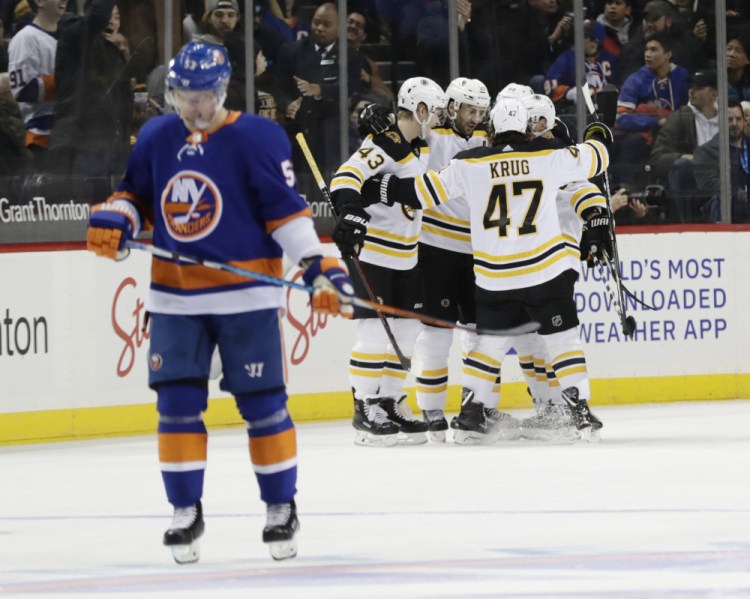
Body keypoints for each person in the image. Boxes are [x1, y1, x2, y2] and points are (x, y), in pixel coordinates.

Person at [84, 41, 354, 563]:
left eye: (202, 95)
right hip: (175, 299)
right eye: (183, 95)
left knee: (263, 407)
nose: (193, 106)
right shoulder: (157, 136)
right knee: (177, 407)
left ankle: (280, 507)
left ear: (223, 90)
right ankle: (185, 511)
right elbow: (136, 197)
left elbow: (286, 214)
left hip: (246, 300)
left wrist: (321, 267)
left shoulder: (257, 137)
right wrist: (118, 218)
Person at [347, 98, 613, 441]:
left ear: (493, 129)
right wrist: (600, 129)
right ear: (526, 129)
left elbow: (421, 193)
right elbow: (598, 157)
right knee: (562, 340)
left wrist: (376, 188)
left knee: (488, 344)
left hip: (494, 275)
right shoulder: (549, 157)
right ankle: (580, 411)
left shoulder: (469, 164)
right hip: (543, 270)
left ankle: (471, 413)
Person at [329, 76, 447, 447]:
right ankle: (364, 406)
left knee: (407, 333)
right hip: (375, 254)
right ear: (422, 110)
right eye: (437, 110)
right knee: (374, 334)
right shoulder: (384, 143)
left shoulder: (421, 144)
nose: (441, 117)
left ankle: (391, 401)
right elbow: (346, 177)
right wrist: (349, 211)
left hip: (407, 256)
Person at [51, 0, 133, 177]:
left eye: (116, 16)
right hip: (78, 145)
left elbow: (122, 104)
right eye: (110, 14)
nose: (112, 21)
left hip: (110, 148)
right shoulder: (72, 33)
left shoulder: (115, 53)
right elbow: (98, 16)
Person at [614, 31, 690, 187]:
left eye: (654, 50)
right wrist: (657, 121)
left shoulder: (682, 77)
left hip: (677, 134)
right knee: (632, 143)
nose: (648, 54)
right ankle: (626, 190)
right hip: (645, 136)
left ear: (668, 54)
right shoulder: (636, 79)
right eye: (646, 49)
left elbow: (688, 112)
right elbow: (621, 118)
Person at [647, 68, 718, 222]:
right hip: (694, 181)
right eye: (691, 88)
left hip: (721, 178)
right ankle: (684, 224)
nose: (692, 92)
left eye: (698, 88)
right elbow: (656, 157)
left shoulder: (727, 118)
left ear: (714, 94)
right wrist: (683, 156)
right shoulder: (680, 117)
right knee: (682, 165)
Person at [7, 0, 66, 165]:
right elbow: (23, 90)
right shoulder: (25, 39)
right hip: (43, 138)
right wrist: (69, 80)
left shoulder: (68, 35)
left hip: (72, 134)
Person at [693, 100, 750, 223]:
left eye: (738, 119)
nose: (734, 123)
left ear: (745, 122)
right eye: (729, 120)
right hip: (729, 211)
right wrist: (743, 196)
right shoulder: (705, 152)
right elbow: (710, 186)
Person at [545, 21, 619, 112]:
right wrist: (571, 93)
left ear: (594, 42)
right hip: (575, 110)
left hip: (605, 111)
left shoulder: (610, 59)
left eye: (583, 36)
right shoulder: (567, 58)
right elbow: (550, 86)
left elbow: (620, 88)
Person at [346, 9, 393, 105]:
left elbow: (389, 97)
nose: (353, 26)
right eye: (350, 22)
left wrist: (368, 79)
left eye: (359, 25)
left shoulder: (369, 64)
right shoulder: (325, 52)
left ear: (364, 36)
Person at [727, 35, 750, 103]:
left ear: (748, 60)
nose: (731, 54)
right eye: (729, 48)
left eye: (738, 51)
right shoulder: (713, 79)